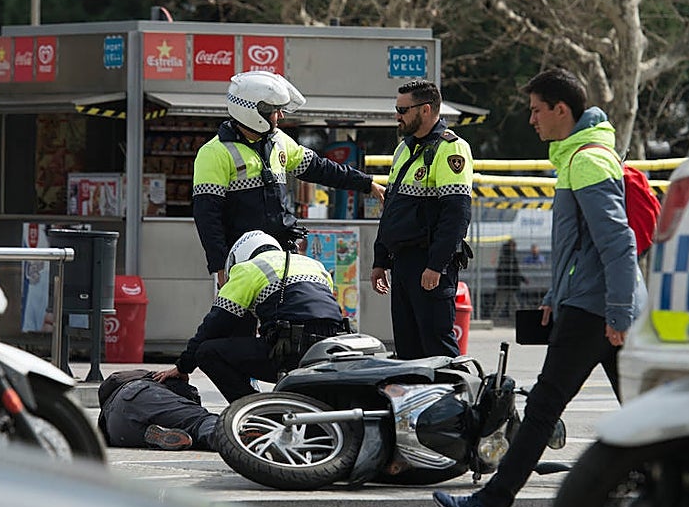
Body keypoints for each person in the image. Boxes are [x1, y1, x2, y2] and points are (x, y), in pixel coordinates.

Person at [434, 67, 644, 507]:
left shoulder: (588, 161)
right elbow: (581, 244)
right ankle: (673, 495)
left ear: (561, 110)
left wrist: (618, 313)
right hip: (590, 302)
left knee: (544, 409)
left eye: (536, 110)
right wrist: (554, 294)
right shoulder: (576, 157)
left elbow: (618, 242)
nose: (531, 120)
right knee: (639, 412)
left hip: (595, 309)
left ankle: (491, 504)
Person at [192, 72, 386, 286]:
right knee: (240, 318)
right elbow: (207, 215)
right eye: (276, 111)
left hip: (282, 254)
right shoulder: (213, 153)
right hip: (242, 260)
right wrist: (220, 266)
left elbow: (320, 168)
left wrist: (367, 184)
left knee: (289, 316)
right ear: (255, 111)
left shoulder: (279, 141)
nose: (281, 116)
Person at [152, 230, 347, 403]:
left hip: (289, 349)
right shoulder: (313, 264)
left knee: (208, 352)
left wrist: (184, 366)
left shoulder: (248, 268)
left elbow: (216, 324)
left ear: (240, 256)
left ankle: (254, 411)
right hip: (330, 347)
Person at [370, 80, 473, 359]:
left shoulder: (450, 148)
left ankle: (454, 401)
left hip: (429, 263)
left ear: (426, 110)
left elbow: (456, 214)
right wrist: (380, 260)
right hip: (402, 262)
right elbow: (391, 208)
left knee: (437, 346)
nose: (397, 116)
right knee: (406, 349)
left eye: (402, 109)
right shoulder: (404, 149)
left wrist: (436, 265)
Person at [492, 238, 525, 318]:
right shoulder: (509, 258)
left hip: (508, 285)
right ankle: (494, 318)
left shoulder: (506, 257)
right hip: (507, 285)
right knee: (503, 303)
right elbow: (514, 271)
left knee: (512, 304)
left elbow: (515, 271)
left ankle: (513, 318)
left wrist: (521, 279)